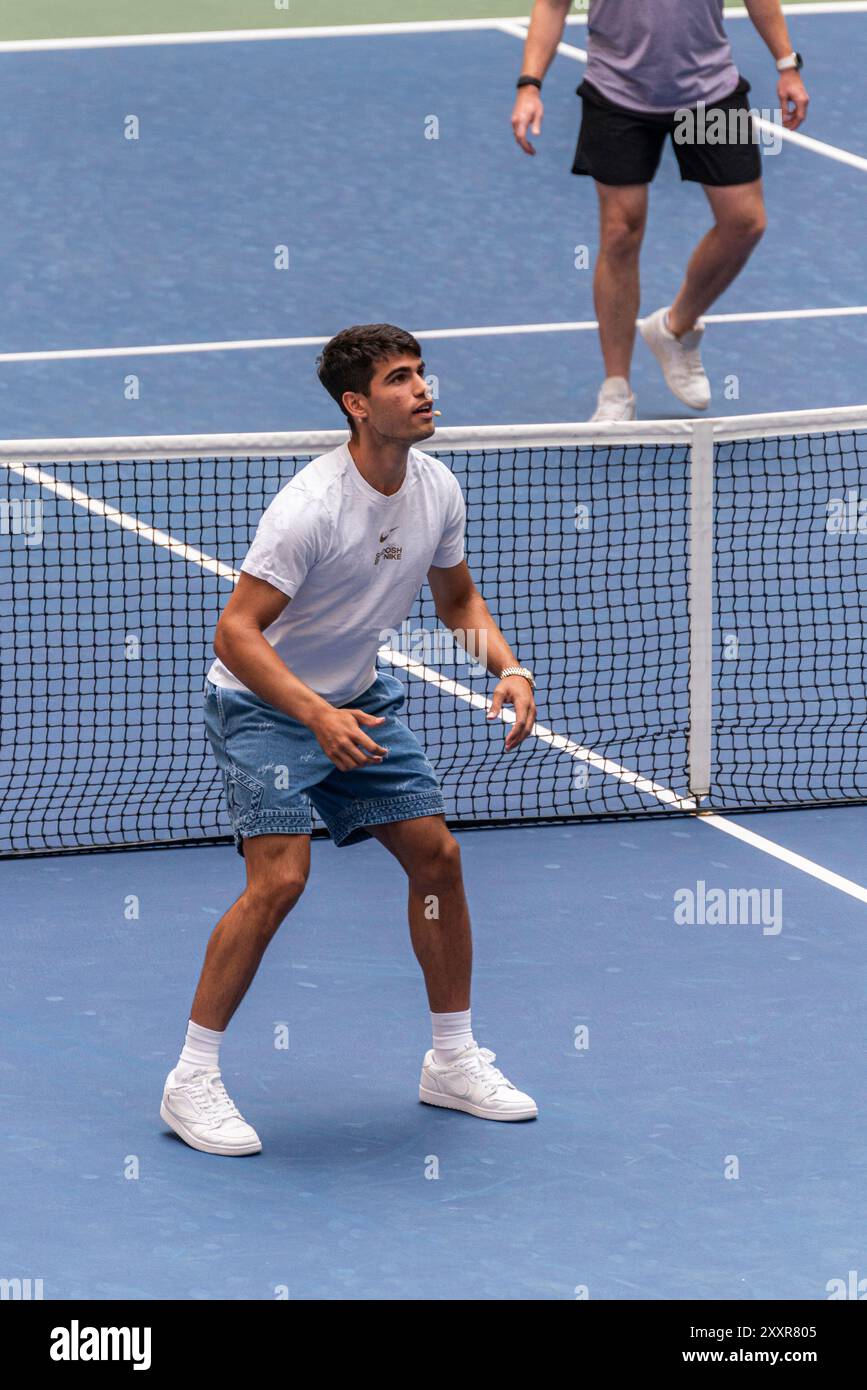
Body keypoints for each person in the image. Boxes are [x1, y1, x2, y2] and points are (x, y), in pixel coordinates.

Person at [160, 323, 540, 1155]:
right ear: (357, 406)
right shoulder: (311, 509)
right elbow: (236, 634)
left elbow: (458, 603)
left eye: (422, 373)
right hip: (265, 709)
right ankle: (190, 1080)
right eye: (400, 380)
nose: (423, 389)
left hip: (358, 703)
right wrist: (313, 715)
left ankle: (450, 1060)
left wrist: (506, 670)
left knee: (436, 857)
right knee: (280, 880)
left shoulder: (436, 488)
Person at [511, 0, 809, 420]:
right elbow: (553, 3)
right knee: (620, 231)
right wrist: (530, 84)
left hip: (709, 94)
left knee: (745, 221)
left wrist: (786, 63)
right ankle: (616, 389)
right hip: (616, 96)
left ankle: (674, 328)